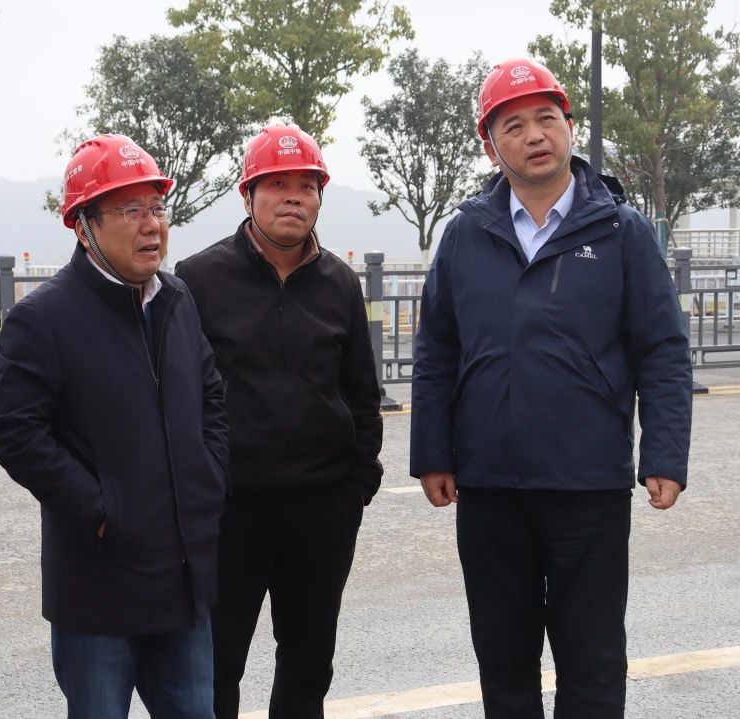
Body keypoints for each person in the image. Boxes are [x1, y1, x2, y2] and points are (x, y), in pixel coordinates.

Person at [410, 57, 692, 718]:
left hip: (586, 484)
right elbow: (436, 350)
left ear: (569, 127)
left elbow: (663, 351)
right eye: (513, 126)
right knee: (503, 660)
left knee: (592, 660)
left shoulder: (621, 231)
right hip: (489, 485)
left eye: (546, 118)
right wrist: (433, 454)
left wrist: (664, 455)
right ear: (491, 146)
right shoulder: (466, 234)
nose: (534, 135)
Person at [0, 134, 229, 719]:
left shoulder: (176, 299)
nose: (152, 226)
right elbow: (14, 431)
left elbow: (212, 398)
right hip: (98, 587)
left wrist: (208, 478)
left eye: (157, 208)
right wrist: (100, 509)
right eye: (130, 210)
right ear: (83, 226)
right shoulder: (44, 318)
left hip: (182, 581)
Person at [175, 124, 384, 719]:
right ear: (248, 195)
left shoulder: (340, 283)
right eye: (277, 184)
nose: (293, 197)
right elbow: (180, 396)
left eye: (306, 186)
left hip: (322, 510)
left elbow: (361, 391)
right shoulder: (197, 279)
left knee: (309, 664)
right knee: (215, 665)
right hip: (229, 511)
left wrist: (358, 483)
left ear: (319, 198)